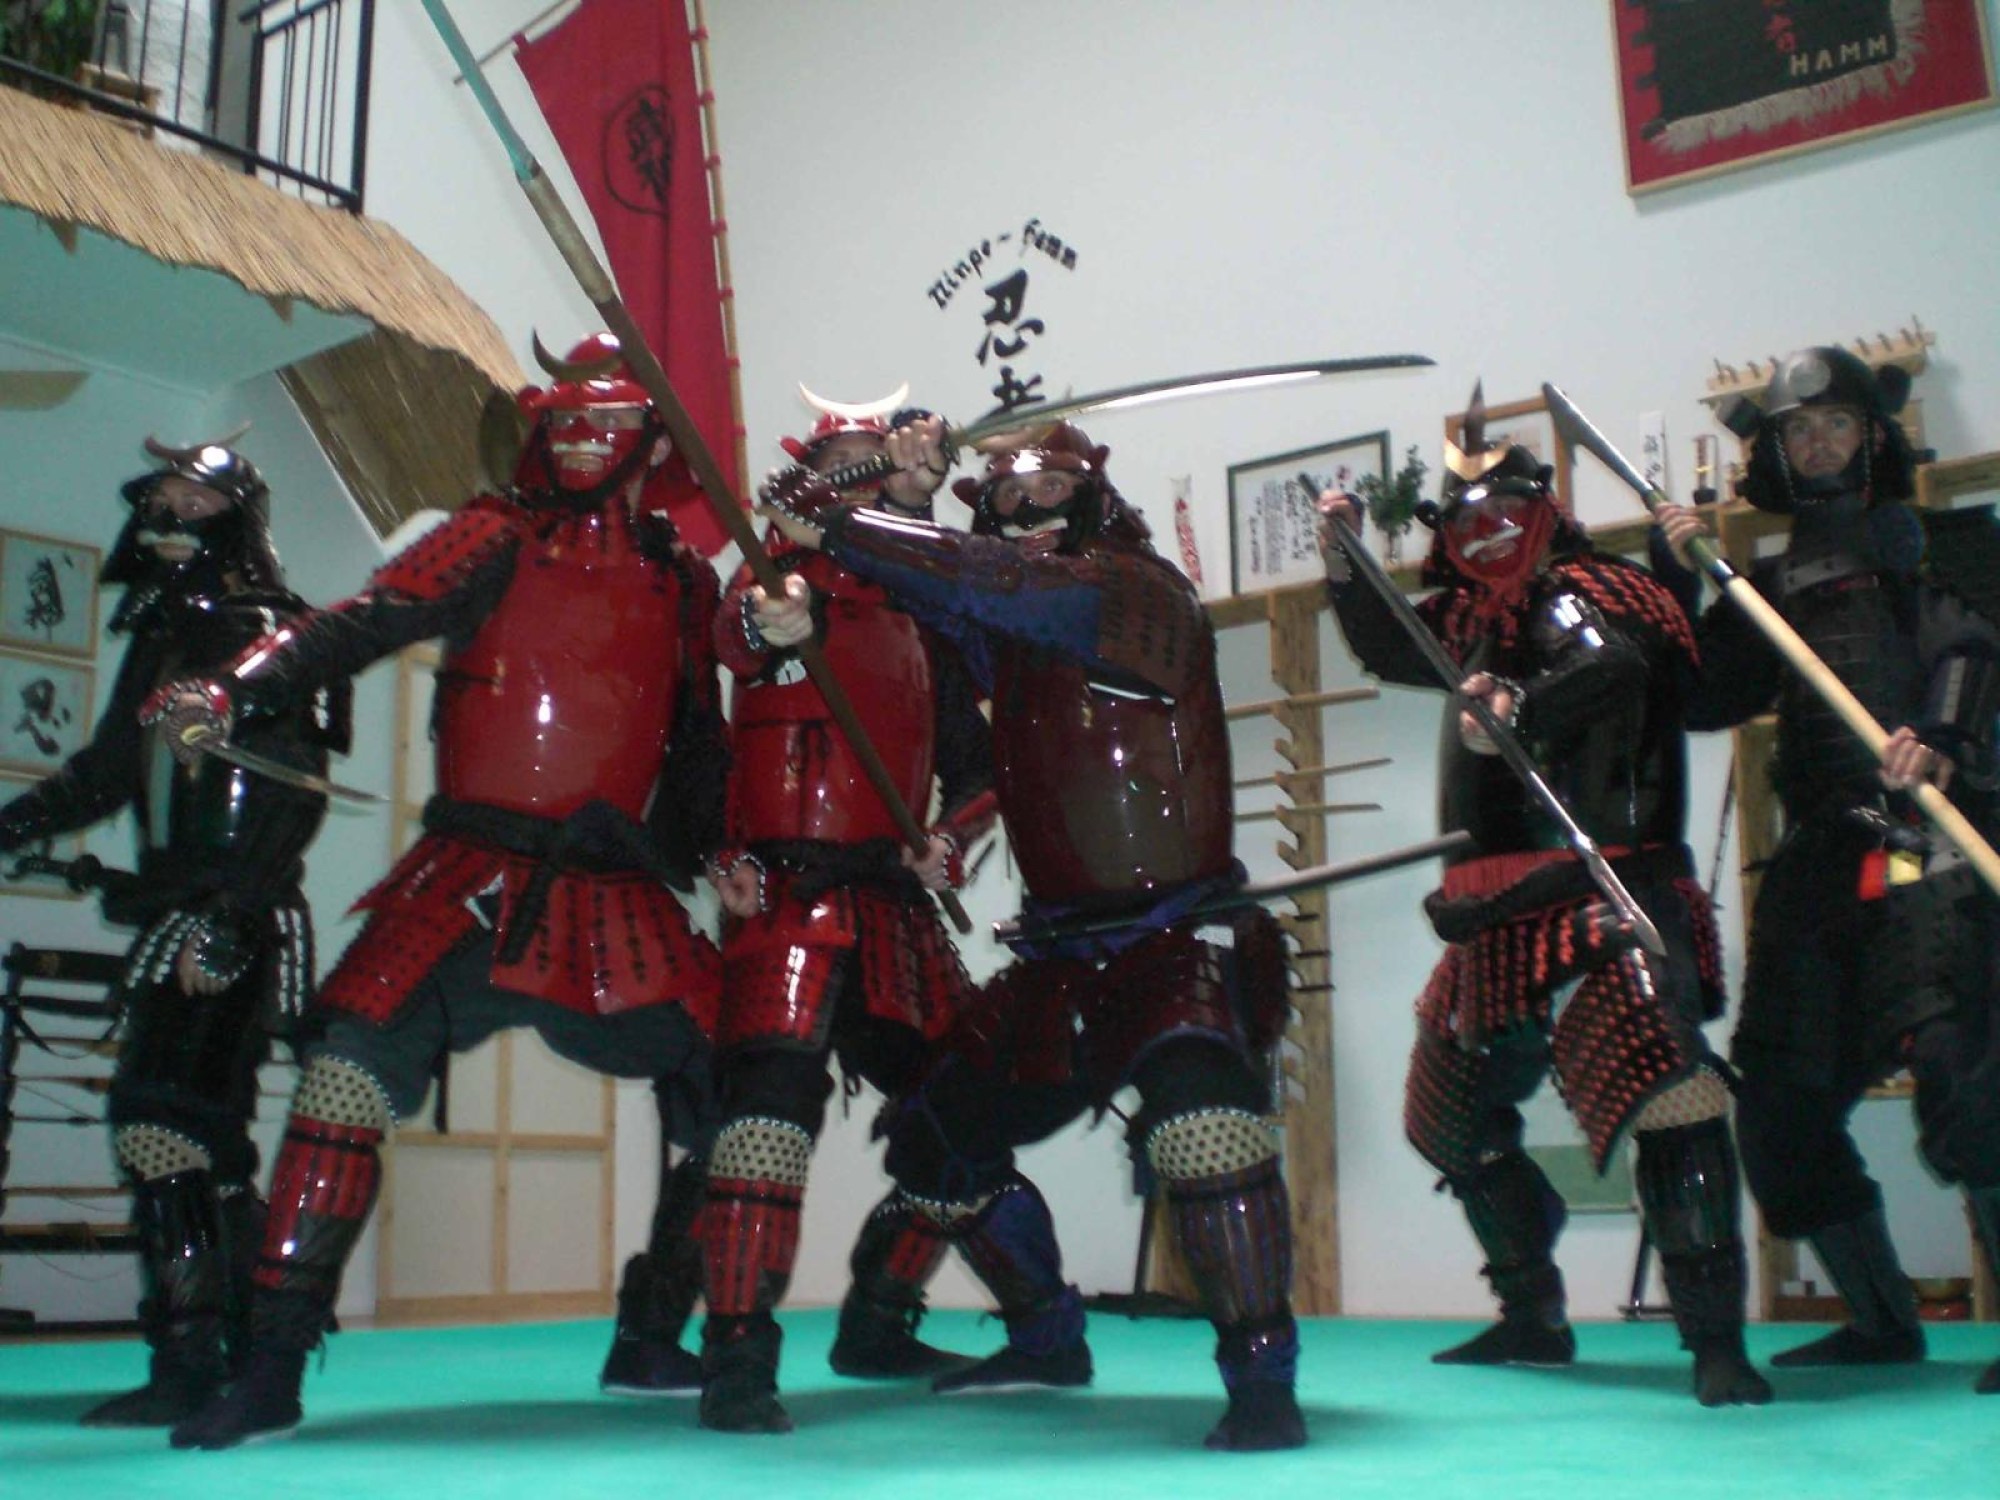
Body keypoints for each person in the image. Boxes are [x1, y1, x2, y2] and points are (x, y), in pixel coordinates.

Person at [160, 333, 728, 1449]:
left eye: (608, 419)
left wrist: (720, 858)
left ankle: (655, 1331)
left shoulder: (683, 577)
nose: (581, 437)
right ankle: (269, 1365)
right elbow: (361, 620)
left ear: (653, 441)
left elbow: (699, 746)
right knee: (340, 1085)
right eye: (564, 416)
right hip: (466, 878)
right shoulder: (491, 532)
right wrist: (233, 685)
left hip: (611, 889)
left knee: (738, 1095)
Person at [761, 420, 1304, 1452]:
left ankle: (1262, 1383)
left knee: (1205, 1134)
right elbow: (945, 598)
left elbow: (984, 583)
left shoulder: (1138, 593)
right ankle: (1044, 1335)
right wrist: (884, 490)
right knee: (934, 1139)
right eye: (1003, 499)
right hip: (1057, 955)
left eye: (1048, 488)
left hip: (1170, 937)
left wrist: (846, 522)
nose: (1022, 511)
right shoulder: (1012, 632)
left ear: (1094, 496)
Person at [1318, 388, 1771, 1407]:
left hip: (1599, 894)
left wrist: (1521, 704)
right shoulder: (1469, 624)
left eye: (1502, 513)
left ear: (1543, 513)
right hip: (1492, 917)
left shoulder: (1588, 592)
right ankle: (1532, 1312)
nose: (1483, 532)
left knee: (1675, 1097)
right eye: (1463, 520)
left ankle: (1715, 1342)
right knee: (1449, 1119)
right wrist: (1342, 557)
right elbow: (1389, 643)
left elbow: (1613, 666)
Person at [1657, 346, 2000, 1390]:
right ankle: (1881, 1319)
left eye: (1835, 424)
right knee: (1777, 1102)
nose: (1816, 443)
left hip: (1923, 838)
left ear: (1870, 436)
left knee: (1959, 1070)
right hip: (1821, 853)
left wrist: (1941, 735)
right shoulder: (1763, 589)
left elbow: (1970, 647)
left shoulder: (1928, 548)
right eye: (1797, 429)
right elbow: (1704, 698)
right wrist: (1677, 578)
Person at [0, 432, 344, 1427]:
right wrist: (14, 824)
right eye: (163, 495)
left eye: (193, 497)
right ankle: (223, 1347)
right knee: (196, 1138)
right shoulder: (168, 633)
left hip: (226, 913)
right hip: (180, 907)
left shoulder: (273, 631)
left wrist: (230, 911)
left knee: (164, 1123)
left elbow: (293, 790)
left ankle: (201, 1358)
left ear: (235, 513)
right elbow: (111, 769)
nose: (168, 510)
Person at [694, 391, 1000, 1432]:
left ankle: (880, 1314)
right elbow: (738, 639)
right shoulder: (775, 577)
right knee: (766, 1121)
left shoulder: (925, 617)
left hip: (893, 905)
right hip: (789, 893)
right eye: (845, 464)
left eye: (878, 460)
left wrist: (946, 840)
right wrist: (769, 616)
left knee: (963, 1115)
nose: (862, 478)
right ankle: (735, 1357)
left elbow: (977, 770)